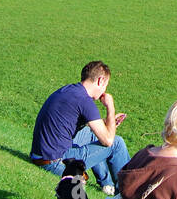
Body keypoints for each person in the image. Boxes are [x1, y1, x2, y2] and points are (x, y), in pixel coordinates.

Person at [30, 60, 129, 190]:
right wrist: (110, 107)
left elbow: (75, 123)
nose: (105, 90)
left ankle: (107, 185)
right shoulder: (85, 101)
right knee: (117, 143)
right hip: (54, 161)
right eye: (106, 85)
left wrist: (106, 123)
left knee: (93, 134)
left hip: (40, 154)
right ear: (100, 81)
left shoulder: (69, 90)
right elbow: (108, 141)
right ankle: (130, 190)